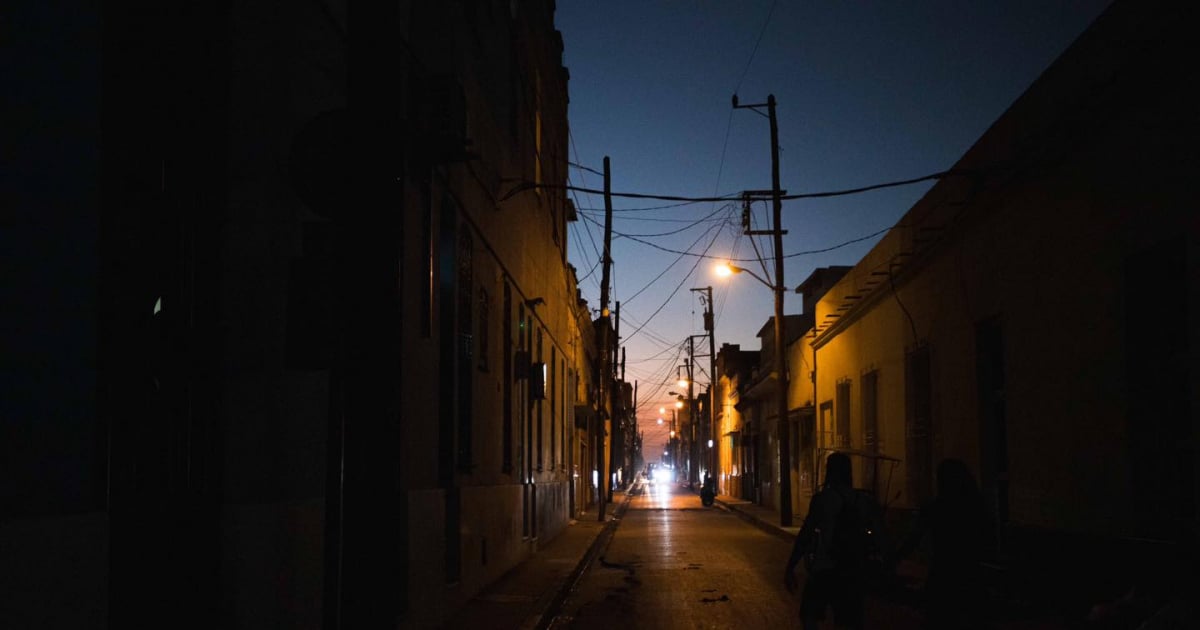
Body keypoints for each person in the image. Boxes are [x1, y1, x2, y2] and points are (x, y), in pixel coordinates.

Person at [888, 458, 996, 629]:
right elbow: (987, 539)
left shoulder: (935, 508)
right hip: (971, 574)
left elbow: (914, 538)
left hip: (943, 575)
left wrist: (895, 556)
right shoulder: (975, 506)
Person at [785, 452, 884, 630]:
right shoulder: (864, 500)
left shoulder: (822, 500)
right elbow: (879, 537)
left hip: (825, 569)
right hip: (853, 570)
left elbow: (805, 535)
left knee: (808, 615)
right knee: (851, 621)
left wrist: (791, 565)